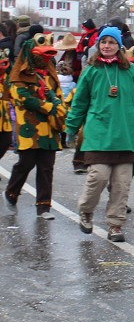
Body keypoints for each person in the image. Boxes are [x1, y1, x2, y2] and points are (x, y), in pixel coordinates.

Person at [66, 27, 134, 242]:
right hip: (99, 134)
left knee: (121, 183)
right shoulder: (91, 71)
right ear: (98, 45)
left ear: (119, 46)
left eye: (112, 42)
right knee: (98, 177)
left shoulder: (131, 71)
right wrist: (71, 128)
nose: (107, 46)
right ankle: (86, 210)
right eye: (103, 42)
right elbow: (79, 103)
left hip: (125, 135)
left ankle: (115, 225)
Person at [4, 33, 66, 219]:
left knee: (47, 167)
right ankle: (11, 193)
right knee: (26, 163)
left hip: (49, 130)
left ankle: (43, 207)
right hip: (29, 130)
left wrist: (61, 110)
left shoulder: (51, 76)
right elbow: (23, 98)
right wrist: (49, 107)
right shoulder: (19, 76)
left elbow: (59, 97)